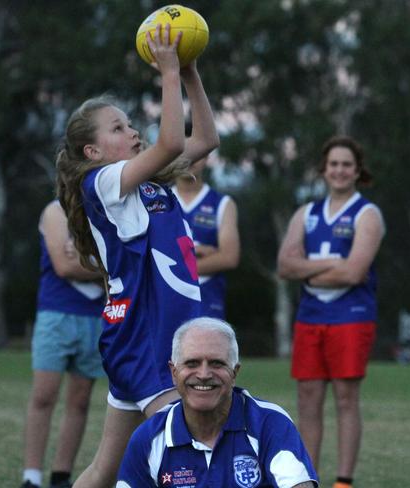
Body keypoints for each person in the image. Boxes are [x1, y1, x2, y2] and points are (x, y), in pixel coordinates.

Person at [56, 24, 219, 488]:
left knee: (106, 469)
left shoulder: (148, 183)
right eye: (119, 127)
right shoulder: (102, 183)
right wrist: (167, 70)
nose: (131, 131)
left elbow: (204, 140)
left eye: (129, 123)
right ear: (92, 151)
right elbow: (170, 142)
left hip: (148, 333)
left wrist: (189, 73)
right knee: (188, 453)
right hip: (146, 337)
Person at [277, 136, 384, 488]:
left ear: (357, 171)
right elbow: (285, 266)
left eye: (346, 164)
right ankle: (308, 478)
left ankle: (343, 481)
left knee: (345, 397)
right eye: (333, 164)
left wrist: (308, 266)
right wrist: (331, 263)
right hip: (310, 315)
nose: (339, 170)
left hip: (351, 316)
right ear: (324, 170)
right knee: (308, 399)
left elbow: (354, 272)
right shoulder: (305, 213)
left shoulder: (367, 214)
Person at [116, 316, 318, 487]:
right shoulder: (149, 438)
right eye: (192, 363)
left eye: (216, 363)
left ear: (235, 372)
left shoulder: (269, 422)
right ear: (174, 372)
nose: (204, 374)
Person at [19, 200, 106, 488]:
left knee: (80, 401)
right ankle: (31, 477)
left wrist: (87, 257)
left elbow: (124, 262)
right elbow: (64, 266)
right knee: (44, 396)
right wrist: (101, 262)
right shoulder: (55, 211)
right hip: (55, 315)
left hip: (95, 316)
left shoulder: (107, 208)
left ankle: (61, 476)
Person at [172, 156, 240, 318]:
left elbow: (229, 258)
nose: (188, 159)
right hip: (168, 300)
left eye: (195, 152)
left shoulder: (223, 203)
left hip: (208, 304)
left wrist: (173, 264)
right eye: (182, 153)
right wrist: (196, 251)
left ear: (206, 155)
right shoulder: (159, 200)